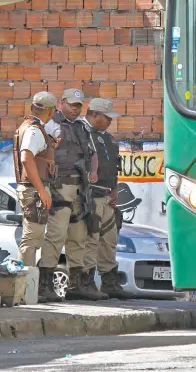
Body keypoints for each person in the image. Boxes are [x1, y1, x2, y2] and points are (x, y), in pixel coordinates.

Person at [41, 88, 106, 301]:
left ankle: (76, 284)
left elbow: (92, 153)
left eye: (79, 106)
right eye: (72, 104)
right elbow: (39, 155)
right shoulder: (51, 125)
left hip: (81, 188)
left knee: (79, 237)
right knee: (56, 236)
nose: (75, 109)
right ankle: (44, 285)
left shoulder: (82, 128)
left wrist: (94, 172)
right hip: (60, 188)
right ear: (61, 103)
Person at [81, 98, 136, 299]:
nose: (110, 121)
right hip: (90, 195)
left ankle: (109, 282)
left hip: (107, 195)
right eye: (107, 117)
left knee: (109, 240)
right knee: (91, 241)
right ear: (94, 114)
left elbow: (113, 168)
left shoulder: (109, 139)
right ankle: (85, 282)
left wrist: (114, 190)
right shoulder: (81, 133)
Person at [13, 91, 57, 303]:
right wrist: (41, 189)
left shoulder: (29, 127)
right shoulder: (34, 130)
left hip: (31, 188)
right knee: (31, 241)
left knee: (32, 239)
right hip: (33, 190)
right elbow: (26, 157)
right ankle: (25, 292)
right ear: (50, 111)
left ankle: (26, 292)